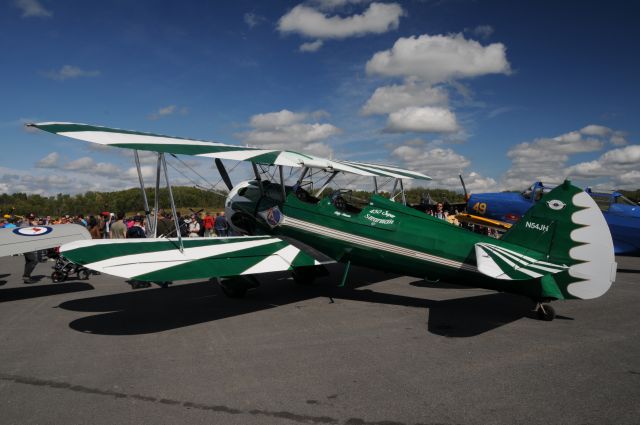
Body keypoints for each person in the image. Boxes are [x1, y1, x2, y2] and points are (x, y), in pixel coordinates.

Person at [22, 213, 39, 284]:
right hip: (25, 246)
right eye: (30, 218)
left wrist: (36, 226)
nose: (31, 219)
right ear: (27, 218)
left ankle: (26, 277)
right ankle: (26, 276)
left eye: (32, 218)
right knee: (34, 260)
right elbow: (26, 233)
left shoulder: (33, 224)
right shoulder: (24, 224)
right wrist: (35, 226)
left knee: (29, 261)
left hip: (30, 245)